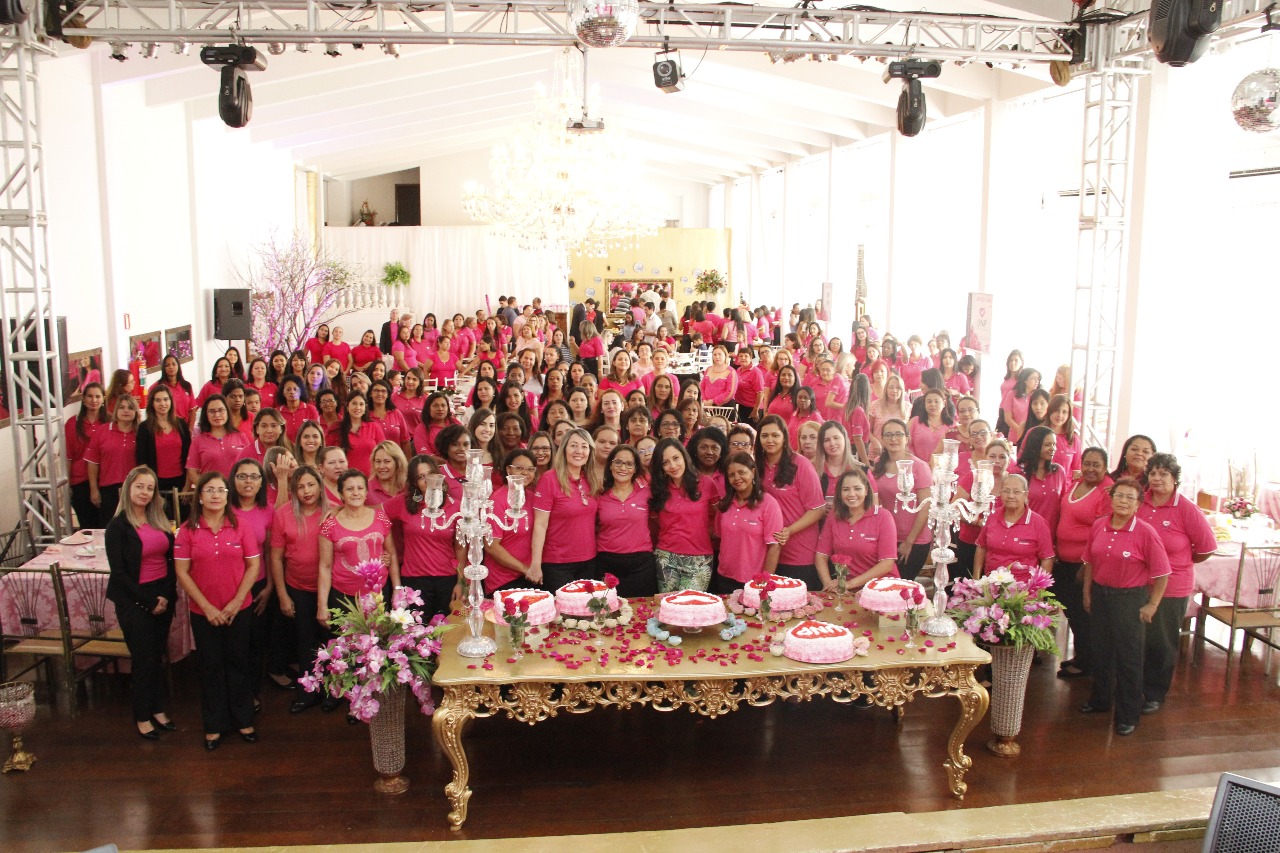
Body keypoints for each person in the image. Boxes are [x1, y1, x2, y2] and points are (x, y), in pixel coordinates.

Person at [174, 472, 261, 750]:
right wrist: (208, 607)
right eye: (209, 490)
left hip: (239, 609)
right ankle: (214, 724)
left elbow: (253, 566)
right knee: (210, 666)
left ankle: (243, 719)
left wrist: (236, 602)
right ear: (199, 496)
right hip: (204, 613)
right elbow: (182, 573)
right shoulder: (187, 530)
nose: (215, 495)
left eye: (220, 490)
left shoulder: (241, 526)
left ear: (227, 495)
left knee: (239, 663)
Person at [1080, 479, 1171, 736]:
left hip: (1130, 600)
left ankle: (1128, 714)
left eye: (1130, 498)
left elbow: (1163, 573)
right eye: (1119, 495)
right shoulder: (1099, 525)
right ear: (1111, 498)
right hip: (1100, 595)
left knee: (1129, 658)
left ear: (1138, 505)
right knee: (1101, 651)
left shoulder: (1145, 532)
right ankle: (1100, 701)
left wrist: (1152, 604)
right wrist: (1087, 592)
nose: (1123, 501)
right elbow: (1089, 562)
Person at [1138, 453, 1216, 715]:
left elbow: (1206, 547)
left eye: (1164, 474)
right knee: (1139, 639)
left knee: (1161, 642)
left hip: (1172, 587)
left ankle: (1155, 693)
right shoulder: (1141, 502)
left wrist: (1180, 562)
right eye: (1153, 473)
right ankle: (1134, 687)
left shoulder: (1185, 508)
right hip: (1137, 584)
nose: (1157, 479)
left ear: (1175, 479)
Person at [105, 466, 177, 740]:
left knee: (157, 655)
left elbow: (170, 561)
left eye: (150, 488)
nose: (145, 492)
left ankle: (158, 708)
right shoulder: (117, 527)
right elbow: (120, 574)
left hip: (162, 595)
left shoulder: (158, 519)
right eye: (140, 486)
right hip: (134, 599)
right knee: (144, 659)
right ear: (128, 489)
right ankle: (142, 715)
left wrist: (167, 595)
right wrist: (149, 601)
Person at [271, 465, 331, 714]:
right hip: (298, 588)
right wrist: (283, 595)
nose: (306, 491)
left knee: (331, 642)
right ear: (294, 490)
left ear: (320, 486)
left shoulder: (332, 513)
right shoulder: (283, 514)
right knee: (305, 642)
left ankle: (333, 691)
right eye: (300, 486)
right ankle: (307, 693)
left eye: (311, 485)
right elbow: (275, 558)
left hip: (329, 589)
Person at [1055, 446, 1113, 679]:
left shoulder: (1107, 491)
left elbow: (1101, 531)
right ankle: (1082, 655)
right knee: (1073, 613)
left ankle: (1088, 662)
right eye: (1087, 463)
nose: (1090, 468)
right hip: (1064, 560)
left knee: (1083, 614)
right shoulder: (1076, 484)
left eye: (1096, 464)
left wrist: (1084, 564)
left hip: (1084, 565)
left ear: (1105, 467)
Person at [386, 455, 464, 622]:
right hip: (414, 580)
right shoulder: (404, 503)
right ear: (414, 482)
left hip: (447, 580)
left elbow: (460, 547)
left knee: (446, 633)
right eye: (421, 477)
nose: (428, 480)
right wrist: (338, 510)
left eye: (430, 474)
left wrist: (461, 582)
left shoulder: (455, 506)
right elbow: (374, 514)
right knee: (417, 637)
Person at [755, 415, 828, 591]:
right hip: (769, 553)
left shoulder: (800, 465)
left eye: (775, 435)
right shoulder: (757, 465)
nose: (770, 440)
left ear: (784, 437)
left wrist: (789, 530)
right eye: (764, 436)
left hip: (799, 553)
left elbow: (818, 510)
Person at [228, 458, 278, 708]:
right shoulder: (223, 507)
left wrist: (269, 587)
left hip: (257, 585)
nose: (248, 482)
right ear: (233, 480)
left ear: (262, 482)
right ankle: (233, 694)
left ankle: (253, 693)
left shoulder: (268, 510)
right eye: (242, 476)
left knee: (256, 643)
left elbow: (269, 551)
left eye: (254, 477)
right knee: (233, 646)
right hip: (228, 586)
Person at [529, 427, 599, 590]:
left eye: (584, 446)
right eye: (573, 445)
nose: (579, 451)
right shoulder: (549, 479)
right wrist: (536, 564)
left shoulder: (590, 479)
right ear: (564, 449)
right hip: (558, 564)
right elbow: (540, 525)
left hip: (589, 560)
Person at [649, 437, 717, 592]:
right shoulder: (658, 488)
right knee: (668, 610)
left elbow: (718, 514)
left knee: (691, 608)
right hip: (666, 557)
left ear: (684, 456)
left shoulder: (706, 483)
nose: (672, 466)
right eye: (665, 462)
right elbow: (655, 519)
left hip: (699, 558)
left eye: (676, 458)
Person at [815, 468, 898, 592]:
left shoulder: (883, 516)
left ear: (866, 491)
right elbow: (821, 556)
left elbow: (886, 564)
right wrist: (829, 585)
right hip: (847, 591)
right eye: (846, 489)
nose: (851, 494)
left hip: (881, 590)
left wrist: (847, 584)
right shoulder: (834, 516)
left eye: (857, 488)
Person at [713, 452, 784, 592]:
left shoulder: (768, 503)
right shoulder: (725, 505)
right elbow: (719, 536)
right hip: (724, 577)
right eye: (732, 475)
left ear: (752, 472)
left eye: (741, 472)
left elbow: (775, 547)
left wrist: (764, 581)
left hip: (754, 582)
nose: (737, 478)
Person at [593, 444, 657, 598]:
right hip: (607, 563)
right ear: (610, 466)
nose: (623, 468)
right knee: (609, 612)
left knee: (641, 611)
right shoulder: (598, 495)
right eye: (618, 462)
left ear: (636, 469)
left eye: (629, 464)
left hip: (641, 563)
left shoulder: (647, 493)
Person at [871, 419, 933, 578]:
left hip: (914, 539)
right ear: (882, 439)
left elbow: (926, 507)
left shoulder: (919, 467)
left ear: (907, 438)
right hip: (888, 536)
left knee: (903, 585)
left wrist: (909, 542)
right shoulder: (879, 463)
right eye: (888, 435)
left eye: (898, 434)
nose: (893, 439)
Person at [973, 474, 1055, 580]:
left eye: (1016, 492)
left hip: (1023, 591)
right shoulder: (993, 515)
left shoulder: (1038, 523)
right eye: (1006, 491)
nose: (1011, 496)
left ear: (1026, 495)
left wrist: (1038, 590)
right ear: (1000, 493)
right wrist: (976, 580)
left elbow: (1047, 559)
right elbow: (981, 547)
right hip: (990, 586)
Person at [483, 450, 538, 595]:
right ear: (508, 469)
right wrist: (524, 568)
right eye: (519, 468)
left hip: (530, 576)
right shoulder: (498, 500)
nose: (525, 473)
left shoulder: (532, 498)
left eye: (530, 469)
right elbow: (491, 546)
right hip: (504, 580)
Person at [85, 394, 140, 520]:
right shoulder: (102, 431)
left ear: (136, 412)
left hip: (134, 488)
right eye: (121, 407)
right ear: (116, 410)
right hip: (108, 488)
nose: (126, 411)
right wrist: (94, 489)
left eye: (130, 408)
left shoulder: (141, 432)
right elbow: (93, 462)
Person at [136, 385, 192, 501]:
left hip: (181, 483)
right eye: (158, 400)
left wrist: (187, 485)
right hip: (156, 484)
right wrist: (150, 487)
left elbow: (190, 458)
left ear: (171, 401)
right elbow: (142, 460)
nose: (162, 404)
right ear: (152, 403)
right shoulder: (144, 427)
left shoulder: (181, 424)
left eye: (166, 399)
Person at [67, 382, 107, 529]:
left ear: (103, 399)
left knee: (106, 527)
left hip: (105, 481)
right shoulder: (72, 423)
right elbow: (68, 456)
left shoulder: (109, 422)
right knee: (89, 528)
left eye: (97, 396)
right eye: (89, 396)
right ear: (83, 399)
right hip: (80, 483)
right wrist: (67, 485)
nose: (93, 400)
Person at [185, 395, 251, 486]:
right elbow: (192, 471)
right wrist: (205, 489)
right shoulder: (198, 441)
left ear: (227, 411)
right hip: (213, 496)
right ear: (206, 415)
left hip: (238, 492)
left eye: (221, 410)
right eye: (212, 411)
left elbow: (251, 465)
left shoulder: (241, 436)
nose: (217, 415)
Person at [1017, 426, 1070, 534]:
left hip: (1050, 534)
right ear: (1035, 446)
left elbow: (1063, 505)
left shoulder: (1059, 472)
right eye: (1047, 445)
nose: (1052, 448)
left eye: (1054, 444)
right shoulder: (1019, 473)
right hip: (1024, 534)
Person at [1000, 367, 1041, 444]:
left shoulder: (1038, 396)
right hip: (1014, 437)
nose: (1037, 381)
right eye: (1033, 378)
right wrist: (1021, 431)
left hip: (1032, 437)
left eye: (1038, 379)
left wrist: (1029, 434)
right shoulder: (1012, 394)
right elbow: (1008, 418)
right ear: (1025, 380)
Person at [276, 375, 319, 442]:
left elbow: (316, 433)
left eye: (295, 389)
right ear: (283, 393)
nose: (292, 392)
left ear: (301, 391)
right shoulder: (277, 412)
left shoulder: (311, 410)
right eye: (288, 389)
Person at [157, 355, 196, 423]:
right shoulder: (159, 387)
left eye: (173, 364)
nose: (171, 367)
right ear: (164, 368)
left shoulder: (187, 386)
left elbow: (192, 410)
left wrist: (189, 430)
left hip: (184, 427)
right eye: (167, 365)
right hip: (167, 427)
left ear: (178, 366)